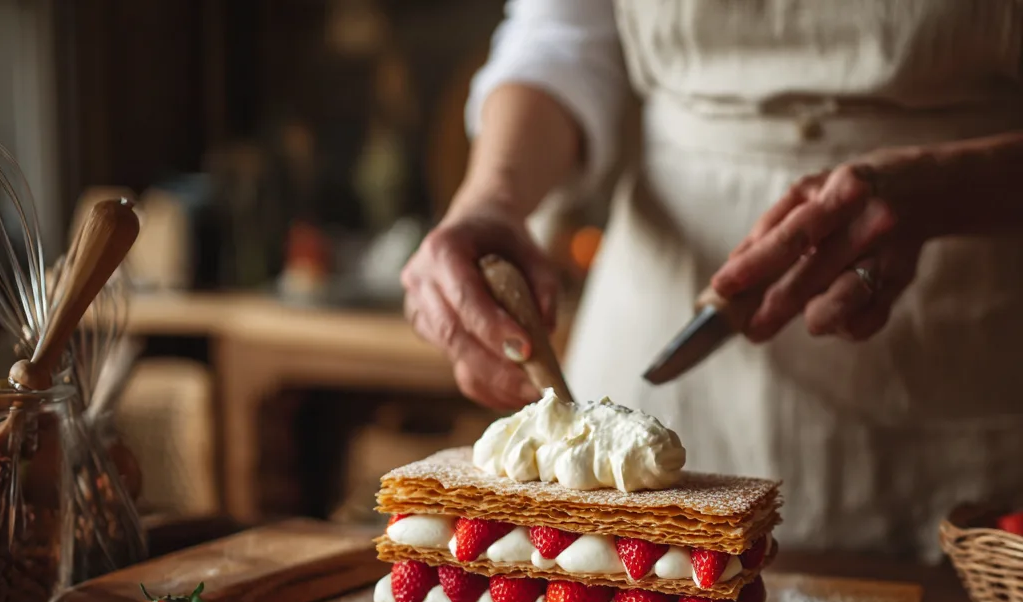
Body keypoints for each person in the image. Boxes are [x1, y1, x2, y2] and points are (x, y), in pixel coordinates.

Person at [401, 0, 1023, 557]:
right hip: (659, 314)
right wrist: (492, 197)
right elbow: (563, 37)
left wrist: (958, 187)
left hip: (959, 322)